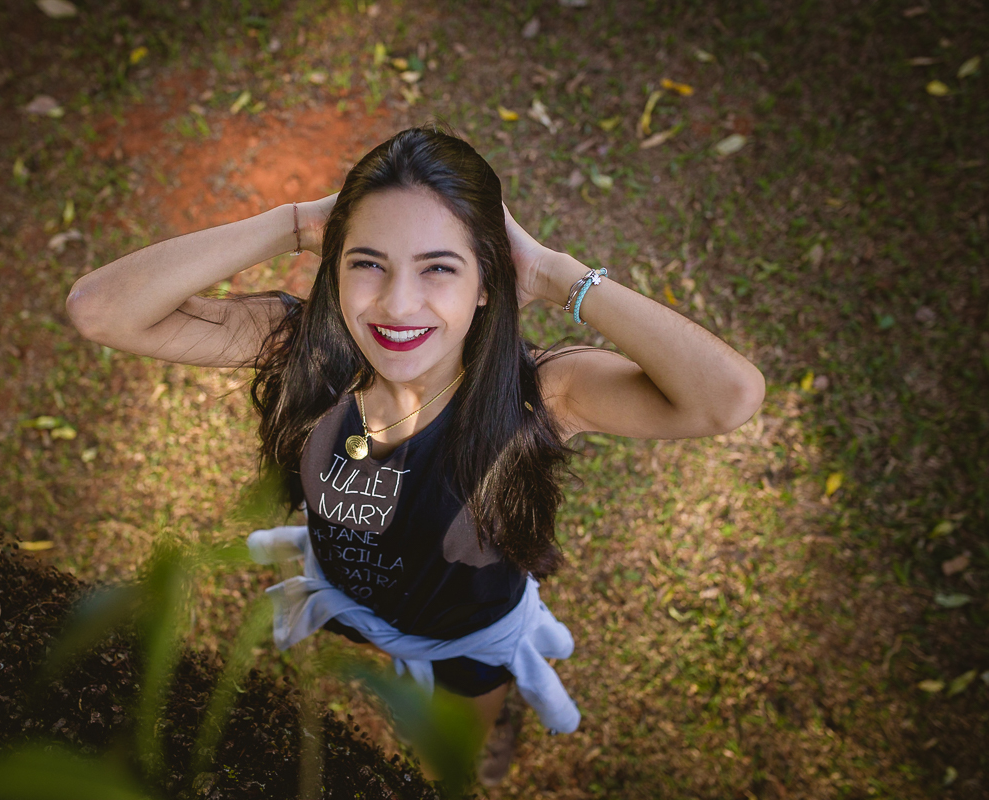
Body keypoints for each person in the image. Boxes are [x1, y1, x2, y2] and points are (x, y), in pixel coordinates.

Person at [65, 124, 765, 786]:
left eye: (439, 269)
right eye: (368, 263)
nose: (398, 305)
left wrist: (556, 274)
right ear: (333, 268)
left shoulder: (540, 393)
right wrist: (296, 223)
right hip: (351, 594)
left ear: (487, 283)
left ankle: (495, 716)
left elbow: (727, 397)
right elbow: (100, 310)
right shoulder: (306, 351)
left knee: (445, 764)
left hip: (466, 634)